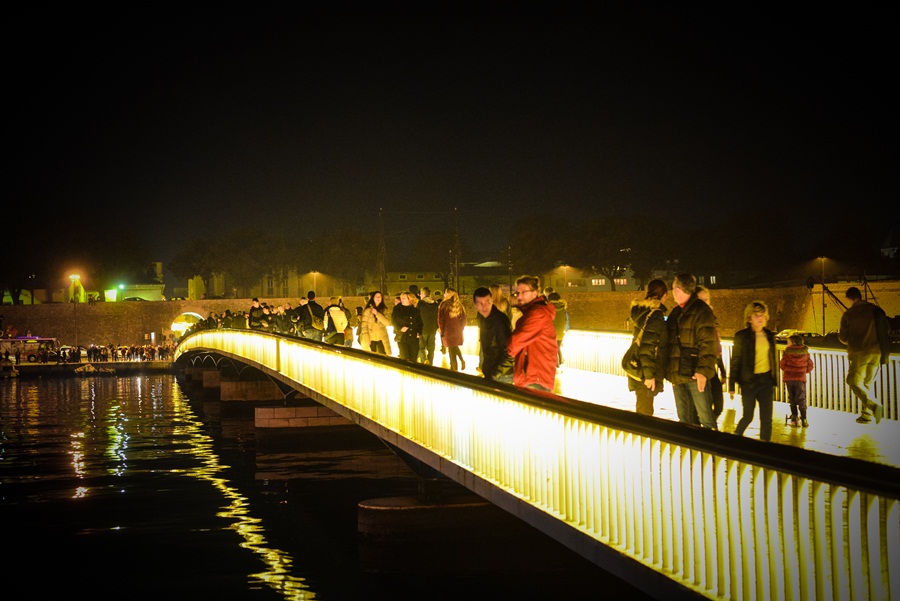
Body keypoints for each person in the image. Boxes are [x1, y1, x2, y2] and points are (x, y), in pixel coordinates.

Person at [664, 273, 718, 430]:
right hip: (679, 375)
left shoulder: (700, 311)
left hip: (695, 374)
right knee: (685, 420)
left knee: (705, 419)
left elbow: (708, 344)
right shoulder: (677, 312)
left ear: (678, 289)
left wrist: (702, 372)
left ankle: (711, 446)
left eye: (673, 288)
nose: (672, 292)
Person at [839, 286, 891, 424]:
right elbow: (887, 328)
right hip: (876, 352)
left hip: (859, 352)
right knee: (867, 383)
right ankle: (867, 415)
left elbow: (842, 338)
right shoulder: (875, 310)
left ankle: (874, 406)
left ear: (849, 299)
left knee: (853, 381)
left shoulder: (848, 314)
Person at [729, 301, 778, 441]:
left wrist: (774, 379)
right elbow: (735, 360)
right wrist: (731, 385)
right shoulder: (741, 336)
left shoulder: (769, 335)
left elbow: (773, 359)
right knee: (748, 416)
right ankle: (734, 440)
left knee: (767, 419)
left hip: (766, 381)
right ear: (749, 318)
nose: (760, 317)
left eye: (762, 314)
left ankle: (764, 448)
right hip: (749, 382)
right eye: (756, 315)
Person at [507, 275, 557, 392]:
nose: (519, 296)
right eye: (517, 293)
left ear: (535, 294)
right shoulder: (532, 312)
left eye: (524, 292)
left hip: (535, 378)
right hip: (533, 377)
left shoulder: (537, 314)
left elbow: (515, 343)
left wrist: (499, 366)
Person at [627, 279, 669, 416]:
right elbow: (647, 348)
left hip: (638, 367)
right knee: (645, 413)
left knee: (642, 408)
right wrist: (650, 376)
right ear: (664, 295)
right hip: (645, 373)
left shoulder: (641, 311)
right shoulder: (655, 314)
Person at [695, 285, 728, 420]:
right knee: (703, 407)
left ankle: (707, 425)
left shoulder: (711, 319)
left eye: (706, 299)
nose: (705, 302)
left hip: (711, 368)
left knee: (718, 405)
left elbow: (716, 348)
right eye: (701, 299)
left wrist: (723, 371)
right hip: (699, 369)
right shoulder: (695, 320)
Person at [473, 287, 515, 383]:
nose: (484, 307)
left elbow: (510, 351)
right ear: (475, 305)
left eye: (487, 302)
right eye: (480, 303)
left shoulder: (500, 321)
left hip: (502, 375)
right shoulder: (482, 318)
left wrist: (495, 373)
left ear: (492, 301)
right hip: (491, 371)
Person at [780, 334, 815, 427]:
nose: (787, 344)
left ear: (794, 343)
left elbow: (782, 364)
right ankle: (804, 419)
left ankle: (794, 417)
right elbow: (810, 365)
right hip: (800, 379)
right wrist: (804, 371)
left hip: (789, 378)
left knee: (792, 398)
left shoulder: (787, 352)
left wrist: (787, 370)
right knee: (801, 398)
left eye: (788, 342)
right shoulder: (805, 353)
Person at [438, 288, 468, 371]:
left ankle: (454, 370)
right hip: (457, 330)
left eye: (445, 292)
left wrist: (442, 331)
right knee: (454, 347)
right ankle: (461, 361)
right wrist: (461, 328)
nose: (444, 294)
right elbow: (464, 319)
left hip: (447, 330)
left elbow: (441, 320)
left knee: (451, 351)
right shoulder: (459, 305)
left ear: (449, 294)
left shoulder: (443, 304)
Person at [392, 291, 422, 362]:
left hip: (413, 337)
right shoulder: (397, 309)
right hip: (403, 336)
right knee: (404, 357)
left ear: (409, 299)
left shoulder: (415, 310)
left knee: (413, 357)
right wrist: (400, 328)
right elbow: (394, 320)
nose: (402, 300)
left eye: (404, 298)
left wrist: (419, 332)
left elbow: (420, 322)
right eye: (401, 298)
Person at [546, 292, 569, 372]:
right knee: (558, 348)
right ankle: (560, 365)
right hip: (561, 332)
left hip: (551, 331)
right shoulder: (564, 308)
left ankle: (555, 366)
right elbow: (566, 320)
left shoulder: (549, 308)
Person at [417, 286, 439, 364]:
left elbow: (417, 316)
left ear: (423, 293)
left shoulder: (421, 303)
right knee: (431, 349)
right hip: (433, 329)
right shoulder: (435, 304)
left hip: (422, 329)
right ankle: (430, 363)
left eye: (421, 293)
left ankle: (424, 360)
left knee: (420, 347)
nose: (420, 295)